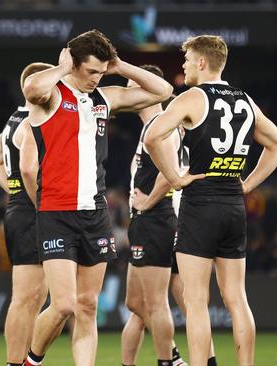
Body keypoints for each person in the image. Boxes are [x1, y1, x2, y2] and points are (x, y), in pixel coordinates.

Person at [19, 29, 173, 366]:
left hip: (95, 214)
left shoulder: (105, 98)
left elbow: (164, 90)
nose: (96, 79)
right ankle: (30, 361)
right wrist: (62, 68)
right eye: (90, 71)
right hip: (56, 211)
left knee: (88, 305)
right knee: (63, 305)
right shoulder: (52, 94)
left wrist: (121, 67)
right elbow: (31, 88)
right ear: (73, 63)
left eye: (101, 73)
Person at [145, 35, 277, 366]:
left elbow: (152, 137)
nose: (182, 66)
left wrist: (176, 177)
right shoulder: (245, 100)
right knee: (237, 299)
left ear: (201, 62)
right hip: (233, 206)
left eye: (186, 60)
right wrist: (249, 184)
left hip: (200, 203)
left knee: (195, 302)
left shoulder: (192, 97)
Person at [120, 64, 197, 366]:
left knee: (154, 303)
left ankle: (169, 361)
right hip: (147, 221)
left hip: (156, 218)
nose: (126, 93)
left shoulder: (160, 125)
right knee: (135, 304)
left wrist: (148, 203)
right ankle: (171, 359)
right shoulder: (153, 125)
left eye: (130, 86)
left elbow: (171, 173)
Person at [0, 62, 53, 366]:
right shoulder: (32, 122)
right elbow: (28, 169)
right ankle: (15, 362)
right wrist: (33, 198)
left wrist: (13, 190)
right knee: (26, 298)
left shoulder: (14, 119)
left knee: (35, 297)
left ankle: (22, 361)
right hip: (32, 210)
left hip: (21, 207)